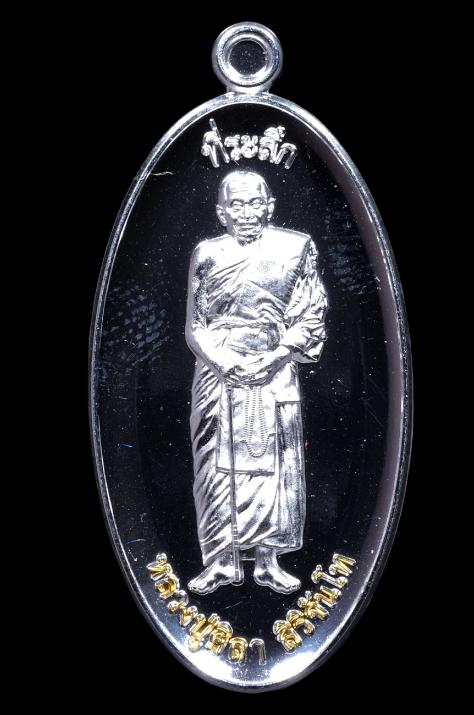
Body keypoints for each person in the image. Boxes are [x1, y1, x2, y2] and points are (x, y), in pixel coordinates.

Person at [185, 170, 327, 595]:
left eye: (254, 203)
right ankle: (220, 562)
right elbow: (195, 328)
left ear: (269, 207)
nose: (246, 212)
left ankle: (268, 562)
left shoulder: (296, 248)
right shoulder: (206, 253)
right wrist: (224, 364)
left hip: (275, 364)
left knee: (274, 463)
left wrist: (275, 357)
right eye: (236, 205)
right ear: (221, 212)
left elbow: (311, 314)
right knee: (215, 467)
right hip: (217, 372)